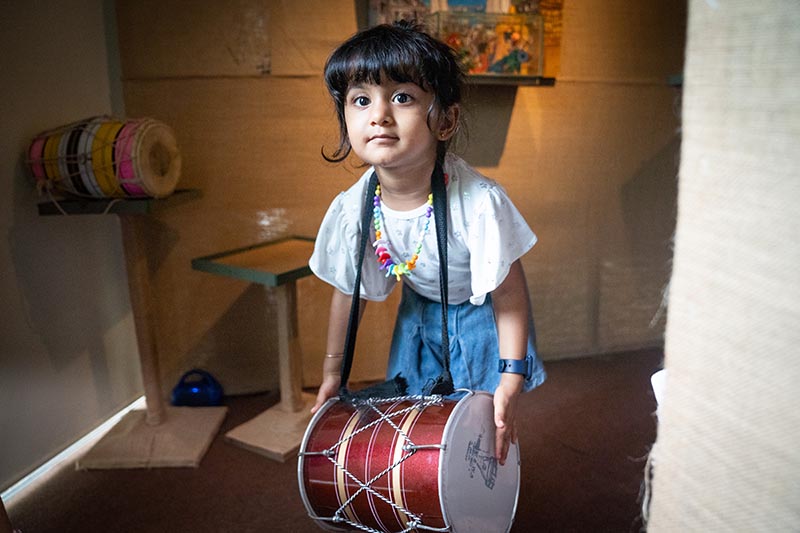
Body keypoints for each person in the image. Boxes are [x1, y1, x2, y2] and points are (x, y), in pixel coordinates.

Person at [308, 20, 545, 465]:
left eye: (402, 97)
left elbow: (509, 292)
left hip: (480, 316)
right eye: (361, 99)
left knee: (479, 427)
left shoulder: (479, 203)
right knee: (412, 415)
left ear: (446, 120)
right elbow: (349, 292)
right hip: (418, 311)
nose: (379, 115)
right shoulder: (353, 208)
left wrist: (511, 377)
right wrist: (332, 373)